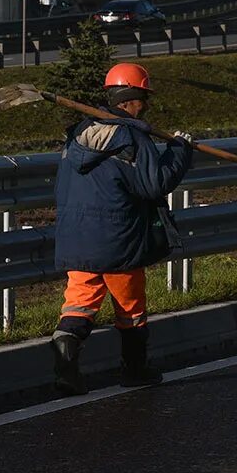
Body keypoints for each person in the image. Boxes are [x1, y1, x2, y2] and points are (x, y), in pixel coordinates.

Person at [51, 63, 194, 395]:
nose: (145, 105)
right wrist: (180, 151)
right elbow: (154, 185)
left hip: (76, 238)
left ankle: (66, 353)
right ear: (133, 99)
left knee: (79, 303)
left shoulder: (77, 136)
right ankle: (135, 369)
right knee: (130, 307)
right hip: (120, 238)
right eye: (143, 97)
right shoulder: (132, 136)